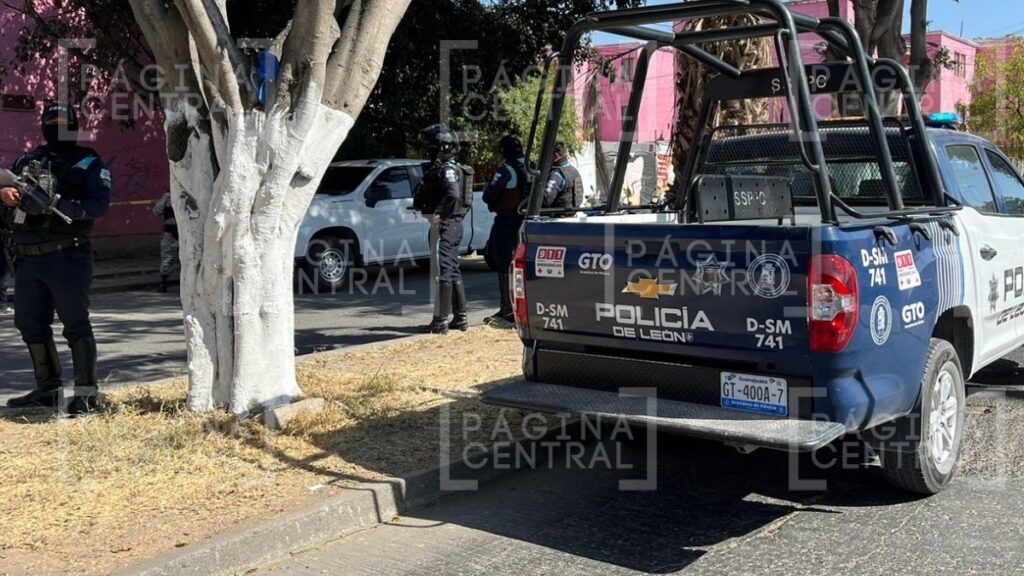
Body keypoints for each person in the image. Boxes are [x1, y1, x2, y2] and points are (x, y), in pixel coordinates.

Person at [0, 102, 111, 415]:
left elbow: (98, 206)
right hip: (28, 258)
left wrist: (55, 203)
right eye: (51, 121)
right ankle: (47, 390)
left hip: (68, 254)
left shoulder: (89, 162)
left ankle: (87, 395)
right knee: (29, 323)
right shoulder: (28, 160)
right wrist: (6, 196)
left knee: (75, 324)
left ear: (74, 125)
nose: (56, 127)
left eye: (63, 121)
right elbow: (8, 202)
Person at [413, 124, 468, 335]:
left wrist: (439, 214)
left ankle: (440, 321)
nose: (429, 151)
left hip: (446, 226)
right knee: (452, 269)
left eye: (432, 147)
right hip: (452, 225)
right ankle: (460, 318)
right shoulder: (448, 167)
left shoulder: (447, 169)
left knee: (442, 272)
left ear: (443, 147)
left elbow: (453, 195)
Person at [481, 135, 528, 329]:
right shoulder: (532, 166)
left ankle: (507, 308)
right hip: (527, 220)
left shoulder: (506, 170)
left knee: (502, 263)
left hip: (507, 220)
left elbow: (488, 195)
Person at [542, 141, 583, 209]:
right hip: (572, 216)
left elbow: (546, 200)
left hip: (556, 217)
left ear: (556, 155)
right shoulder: (574, 171)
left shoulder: (556, 174)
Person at [152, 191, 179, 293]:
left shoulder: (168, 196)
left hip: (171, 232)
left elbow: (156, 211)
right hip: (181, 233)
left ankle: (164, 283)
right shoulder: (192, 194)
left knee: (167, 258)